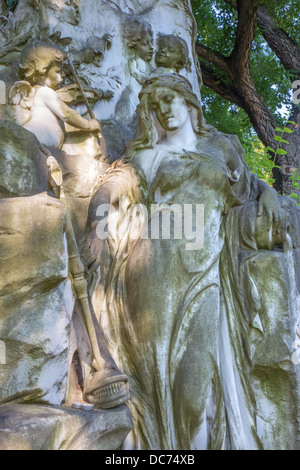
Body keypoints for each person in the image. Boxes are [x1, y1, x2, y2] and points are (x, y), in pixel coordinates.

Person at [83, 73, 288, 449]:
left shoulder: (220, 147)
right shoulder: (145, 155)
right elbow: (111, 188)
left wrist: (271, 196)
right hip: (151, 272)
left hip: (206, 274)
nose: (164, 111)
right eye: (156, 106)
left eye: (170, 101)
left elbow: (250, 187)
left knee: (196, 387)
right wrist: (96, 229)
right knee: (154, 377)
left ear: (189, 104)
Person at [9, 38, 100, 149]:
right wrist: (89, 125)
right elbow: (67, 114)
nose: (63, 75)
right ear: (42, 72)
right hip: (36, 137)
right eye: (58, 71)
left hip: (42, 146)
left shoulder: (39, 91)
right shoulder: (45, 92)